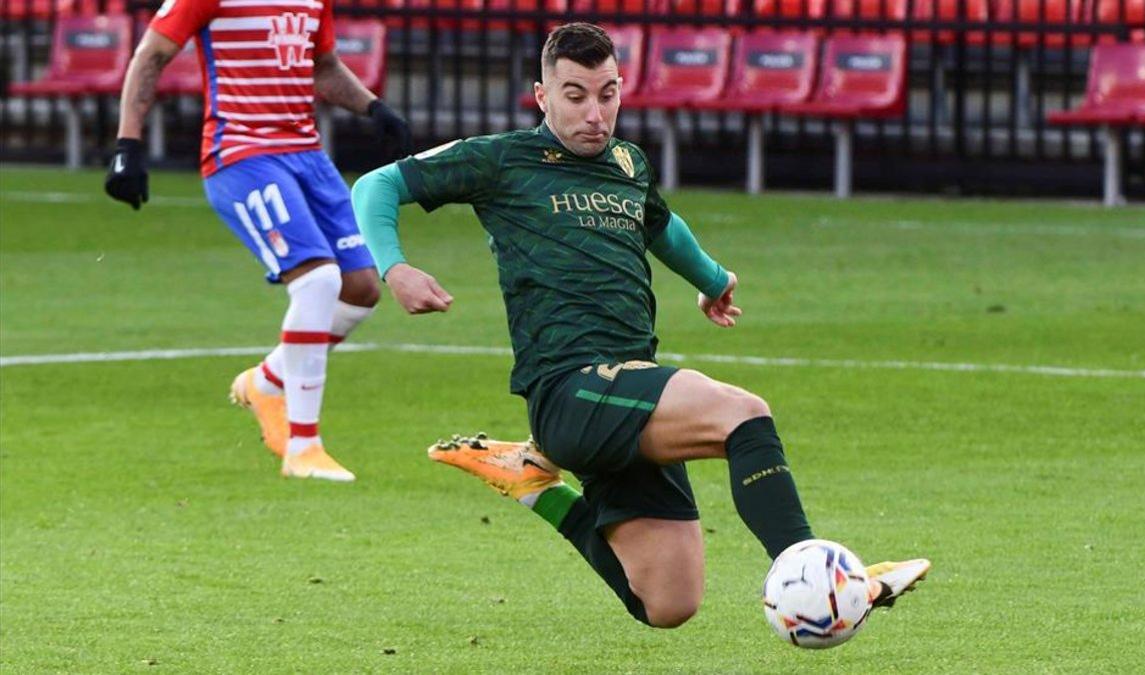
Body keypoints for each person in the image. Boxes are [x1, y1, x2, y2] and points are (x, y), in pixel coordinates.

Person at [352, 22, 929, 626]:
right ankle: (821, 574)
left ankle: (535, 485)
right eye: (575, 96)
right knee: (744, 414)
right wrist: (394, 269)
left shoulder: (628, 162)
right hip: (569, 387)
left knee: (666, 604)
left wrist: (711, 278)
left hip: (631, 386)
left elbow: (661, 226)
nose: (595, 113)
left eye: (608, 93)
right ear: (543, 96)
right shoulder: (500, 160)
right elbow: (377, 185)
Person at [104, 0, 413, 481]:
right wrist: (128, 143)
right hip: (241, 155)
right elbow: (151, 54)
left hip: (307, 155)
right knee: (317, 281)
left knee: (361, 288)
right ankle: (303, 448)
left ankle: (266, 382)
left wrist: (373, 107)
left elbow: (324, 67)